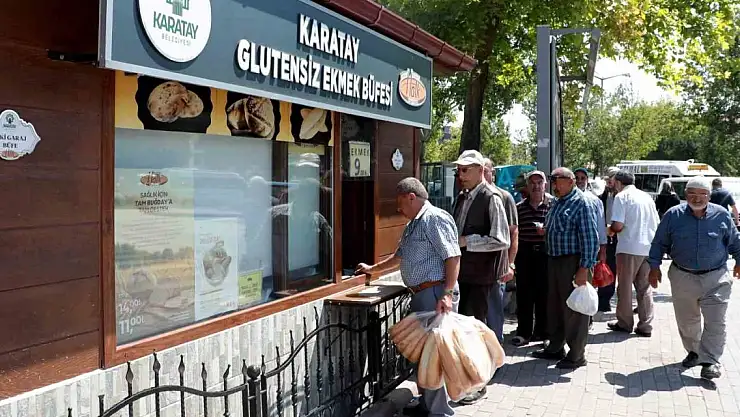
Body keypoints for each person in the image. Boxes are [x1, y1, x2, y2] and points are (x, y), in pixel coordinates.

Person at [356, 177, 461, 416]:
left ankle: (439, 412)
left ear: (411, 197)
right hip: (423, 294)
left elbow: (453, 257)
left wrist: (447, 294)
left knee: (434, 355)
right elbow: (398, 257)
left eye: (400, 203)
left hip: (435, 293)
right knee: (424, 354)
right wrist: (372, 270)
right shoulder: (414, 224)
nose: (398, 208)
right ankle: (427, 405)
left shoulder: (434, 218)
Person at [648, 176, 740, 380]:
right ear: (685, 194)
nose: (697, 199)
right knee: (687, 321)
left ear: (709, 196)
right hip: (683, 277)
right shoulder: (673, 215)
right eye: (692, 194)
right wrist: (654, 267)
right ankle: (695, 352)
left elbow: (735, 241)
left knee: (716, 321)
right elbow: (659, 242)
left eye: (702, 194)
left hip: (716, 277)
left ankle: (710, 361)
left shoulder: (722, 215)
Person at [452, 150, 510, 404]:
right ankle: (470, 381)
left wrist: (467, 241)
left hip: (482, 278)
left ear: (479, 170)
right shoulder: (462, 197)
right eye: (459, 170)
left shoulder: (491, 198)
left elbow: (502, 239)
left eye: (465, 170)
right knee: (466, 331)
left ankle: (480, 384)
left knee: (478, 331)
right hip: (464, 275)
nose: (461, 175)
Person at [532, 168, 599, 369]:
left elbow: (590, 239)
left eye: (557, 180)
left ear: (570, 181)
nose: (554, 184)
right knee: (555, 307)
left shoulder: (582, 203)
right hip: (554, 260)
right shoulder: (558, 201)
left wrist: (584, 269)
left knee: (575, 310)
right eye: (552, 180)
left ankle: (577, 355)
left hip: (572, 262)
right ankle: (555, 347)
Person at [606, 171, 659, 337]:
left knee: (625, 287)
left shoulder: (621, 197)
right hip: (648, 247)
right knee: (644, 288)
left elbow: (618, 225)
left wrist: (609, 229)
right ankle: (646, 325)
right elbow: (656, 222)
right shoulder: (647, 197)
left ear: (618, 182)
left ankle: (625, 323)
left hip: (629, 247)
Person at [511, 171, 551, 346]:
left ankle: (543, 332)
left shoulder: (552, 206)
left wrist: (546, 232)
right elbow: (514, 233)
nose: (536, 186)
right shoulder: (519, 207)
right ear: (527, 186)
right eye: (532, 183)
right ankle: (524, 332)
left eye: (539, 183)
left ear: (545, 185)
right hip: (525, 254)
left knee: (545, 294)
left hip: (545, 253)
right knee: (524, 294)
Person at [483, 158, 518, 342]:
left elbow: (513, 233)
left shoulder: (503, 197)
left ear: (492, 173)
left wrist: (510, 264)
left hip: (497, 267)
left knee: (494, 312)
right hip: (474, 270)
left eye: (485, 170)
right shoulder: (466, 196)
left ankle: (496, 349)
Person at [598, 167, 620, 312]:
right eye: (607, 179)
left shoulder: (623, 197)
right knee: (607, 267)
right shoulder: (603, 197)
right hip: (607, 238)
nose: (609, 182)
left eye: (611, 179)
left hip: (622, 237)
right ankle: (604, 300)